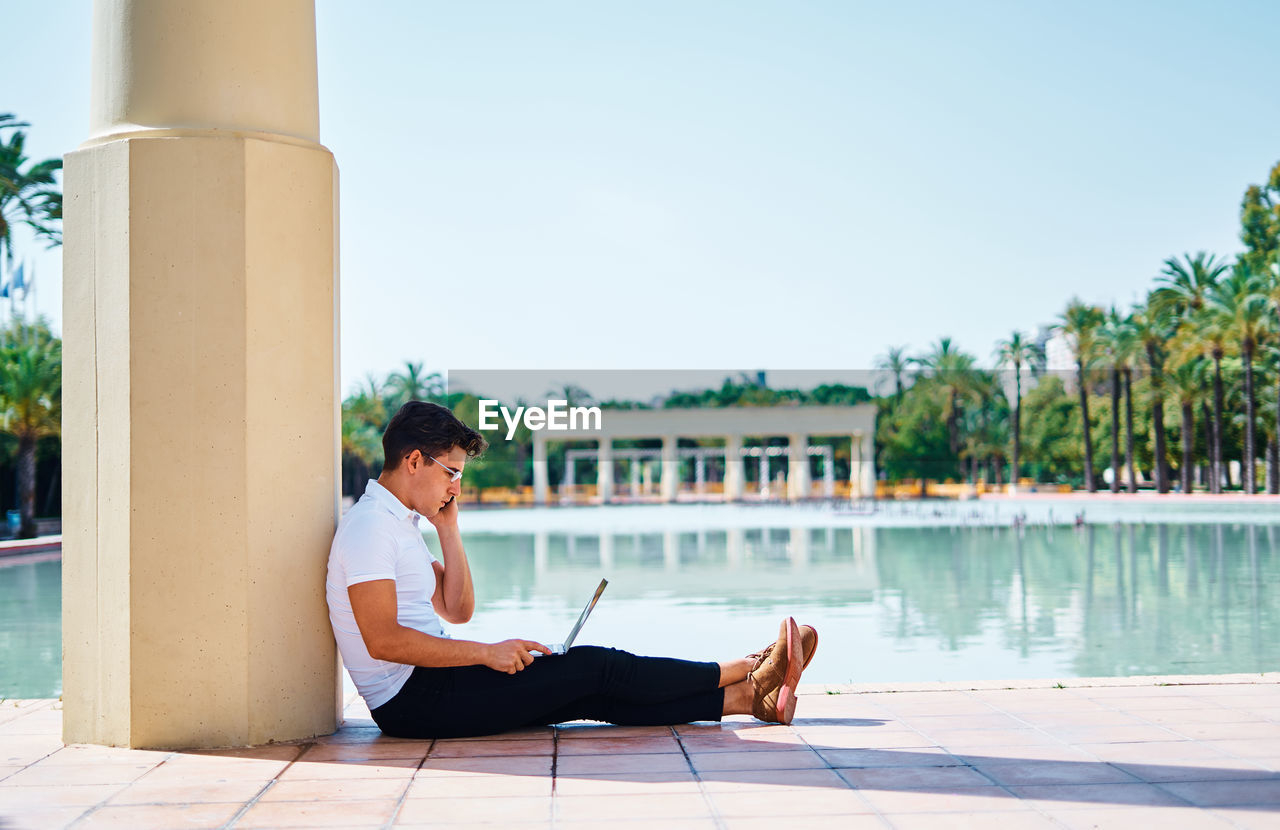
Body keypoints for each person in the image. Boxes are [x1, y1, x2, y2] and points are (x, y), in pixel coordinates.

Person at [326, 400, 819, 739]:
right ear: (414, 461)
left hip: (428, 689)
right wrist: (486, 655)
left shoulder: (403, 524)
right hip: (413, 700)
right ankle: (750, 666)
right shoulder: (371, 527)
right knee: (594, 666)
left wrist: (449, 530)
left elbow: (456, 609)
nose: (457, 485)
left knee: (593, 696)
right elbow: (383, 641)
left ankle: (747, 700)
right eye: (451, 472)